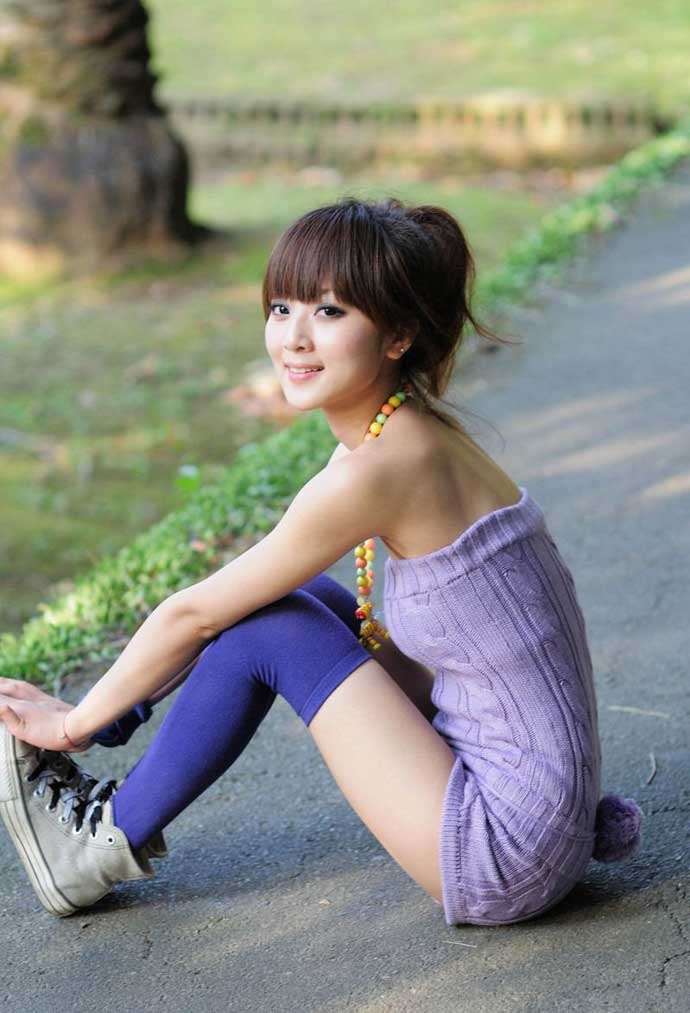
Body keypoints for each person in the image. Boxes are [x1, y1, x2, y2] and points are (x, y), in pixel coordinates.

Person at [0, 197, 642, 925]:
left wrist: (73, 724)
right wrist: (109, 710)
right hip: (541, 806)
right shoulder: (412, 433)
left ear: (398, 334)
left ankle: (96, 845)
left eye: (329, 312)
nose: (294, 338)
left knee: (271, 631)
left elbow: (196, 612)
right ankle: (120, 737)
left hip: (508, 847)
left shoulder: (381, 469)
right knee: (300, 596)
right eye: (281, 307)